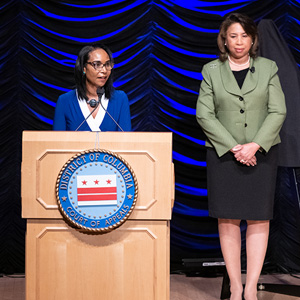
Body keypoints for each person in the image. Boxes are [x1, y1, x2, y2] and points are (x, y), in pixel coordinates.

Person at [196, 13, 286, 300]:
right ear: (224, 39)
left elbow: (278, 111)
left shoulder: (269, 68)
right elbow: (204, 114)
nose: (238, 41)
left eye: (244, 36)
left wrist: (255, 145)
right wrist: (236, 147)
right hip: (224, 155)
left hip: (262, 155)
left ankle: (251, 288)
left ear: (252, 39)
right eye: (232, 35)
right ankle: (235, 286)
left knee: (259, 219)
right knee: (228, 219)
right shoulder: (211, 70)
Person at [53, 44, 131, 131]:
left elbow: (125, 141)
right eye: (97, 65)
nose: (104, 70)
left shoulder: (120, 99)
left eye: (107, 64)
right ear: (84, 68)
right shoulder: (65, 101)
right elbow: (57, 142)